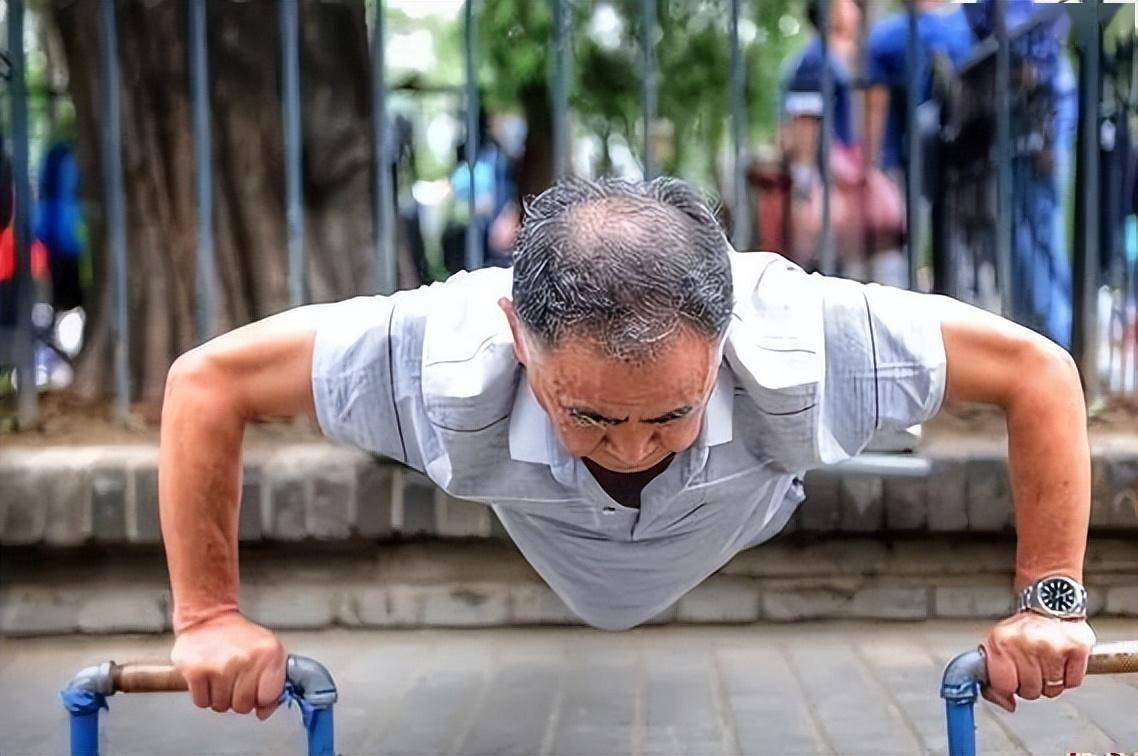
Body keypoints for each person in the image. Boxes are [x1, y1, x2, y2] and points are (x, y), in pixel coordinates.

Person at [162, 176, 1094, 720]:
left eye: (670, 414)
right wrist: (208, 619)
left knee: (750, 437)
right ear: (515, 337)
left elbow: (1038, 374)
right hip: (538, 518)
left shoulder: (811, 339)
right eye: (592, 417)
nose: (634, 447)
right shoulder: (434, 355)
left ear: (726, 342)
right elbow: (209, 383)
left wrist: (1050, 602)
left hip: (745, 500)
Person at [864, 0, 974, 285]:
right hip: (961, 161)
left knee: (905, 241)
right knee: (956, 240)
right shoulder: (963, 26)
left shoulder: (888, 35)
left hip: (903, 159)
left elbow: (876, 105)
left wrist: (871, 163)